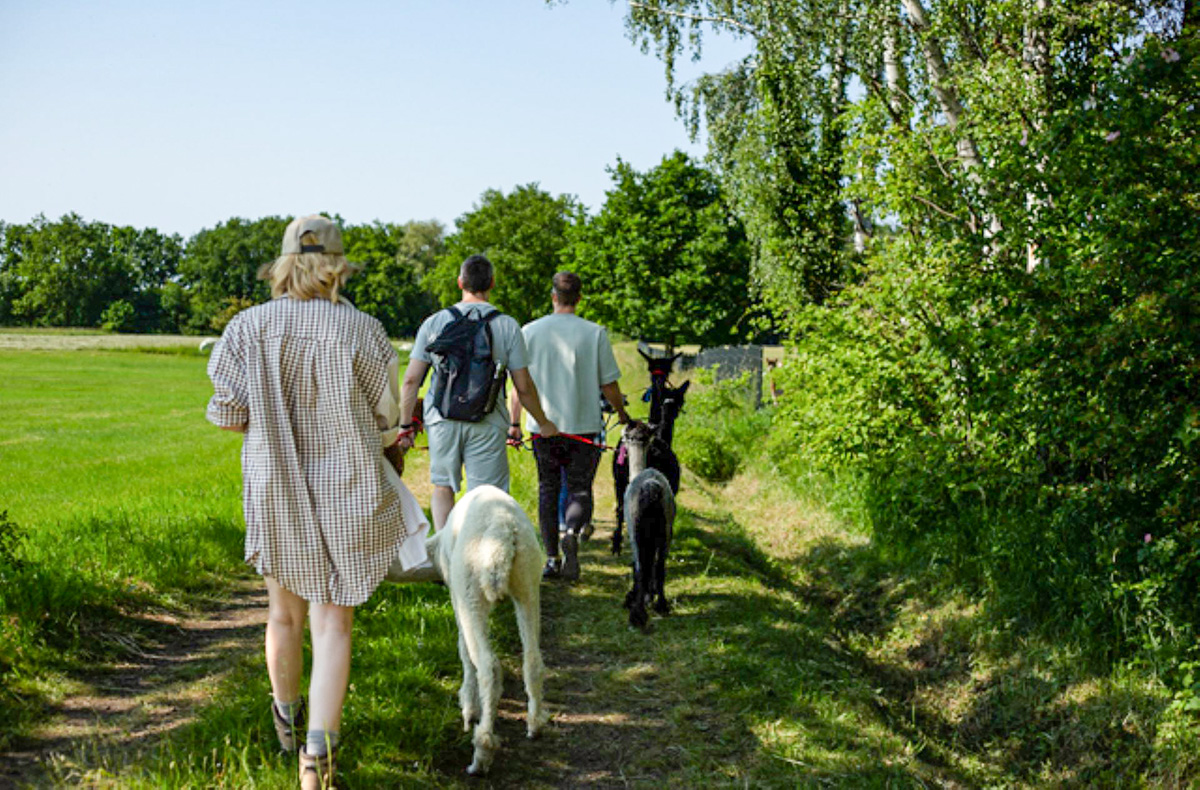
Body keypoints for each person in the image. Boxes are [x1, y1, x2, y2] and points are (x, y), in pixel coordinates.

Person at [206, 215, 430, 790]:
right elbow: (385, 419)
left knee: (283, 613)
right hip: (348, 487)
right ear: (336, 266)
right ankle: (316, 765)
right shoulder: (363, 331)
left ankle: (286, 722)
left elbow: (229, 416)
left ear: (282, 265)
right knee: (335, 624)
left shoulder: (245, 328)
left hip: (275, 485)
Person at [398, 254, 557, 530]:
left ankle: (447, 558)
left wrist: (405, 425)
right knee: (486, 495)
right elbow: (524, 386)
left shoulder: (434, 322)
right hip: (487, 420)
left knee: (443, 486)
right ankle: (483, 558)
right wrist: (542, 422)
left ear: (460, 282)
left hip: (442, 420)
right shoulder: (507, 325)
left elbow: (412, 380)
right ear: (492, 283)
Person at [509, 271, 631, 581]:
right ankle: (573, 532)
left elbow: (518, 386)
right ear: (579, 298)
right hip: (583, 427)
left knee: (548, 491)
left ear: (553, 297)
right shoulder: (594, 333)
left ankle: (551, 559)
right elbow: (609, 384)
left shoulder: (529, 332)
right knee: (579, 488)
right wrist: (623, 414)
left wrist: (514, 423)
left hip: (542, 427)